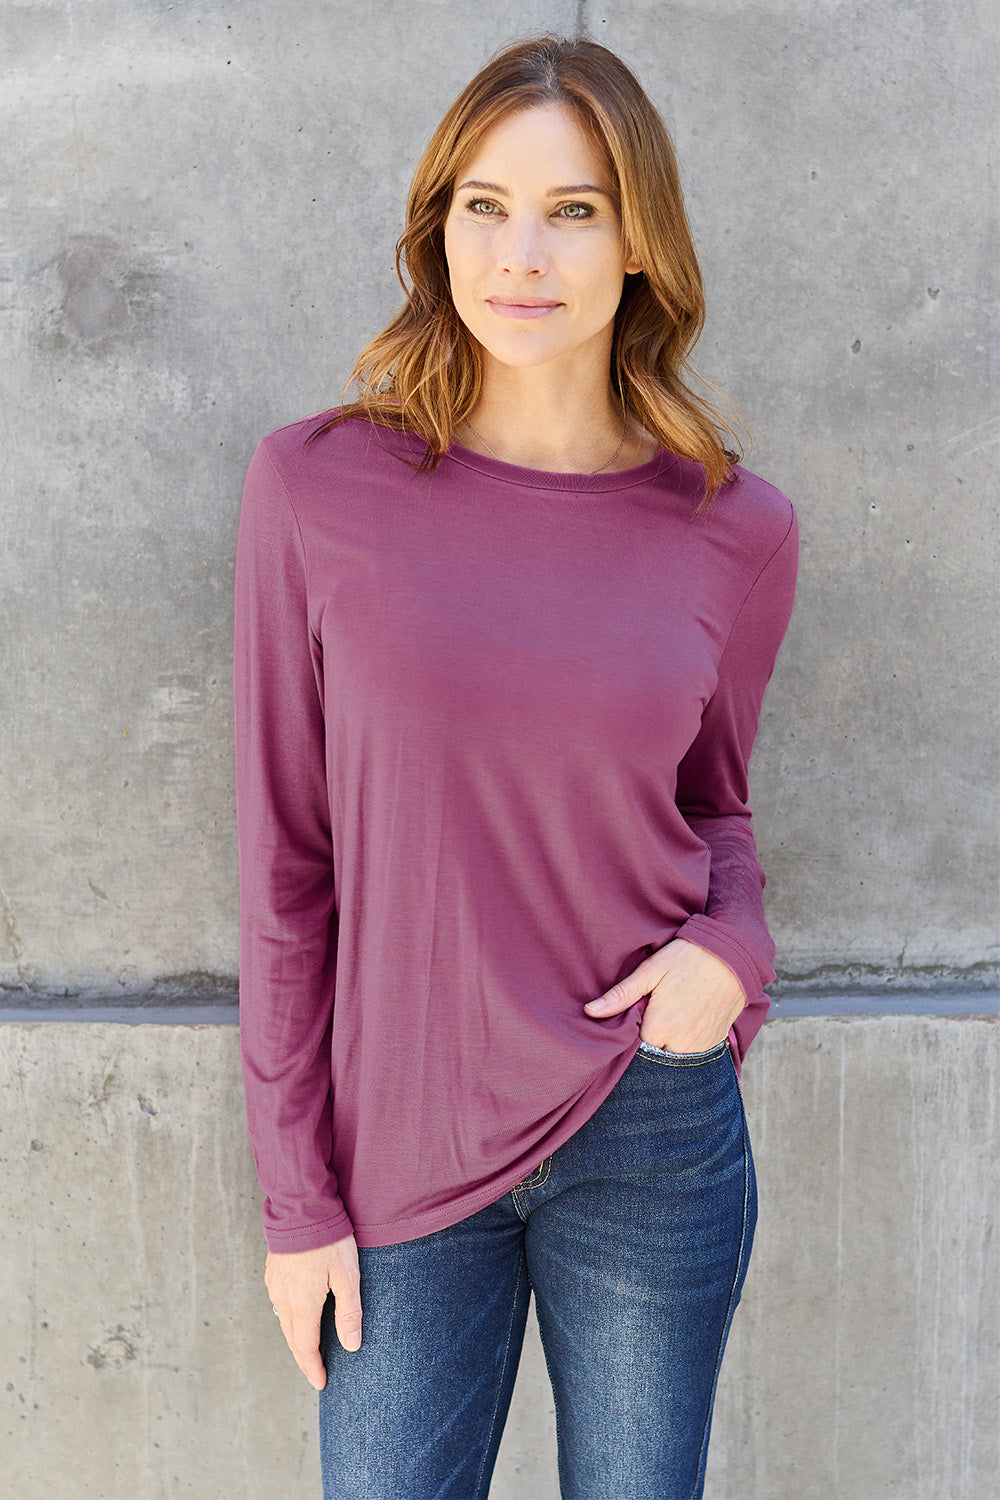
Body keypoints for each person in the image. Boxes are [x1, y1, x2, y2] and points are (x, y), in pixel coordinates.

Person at [234, 33, 798, 1500]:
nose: (521, 253)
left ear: (639, 242)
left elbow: (714, 810)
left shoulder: (733, 531)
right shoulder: (316, 486)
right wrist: (299, 1202)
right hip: (401, 1146)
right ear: (438, 230)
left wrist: (731, 955)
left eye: (573, 208)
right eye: (482, 206)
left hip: (651, 1119)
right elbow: (288, 862)